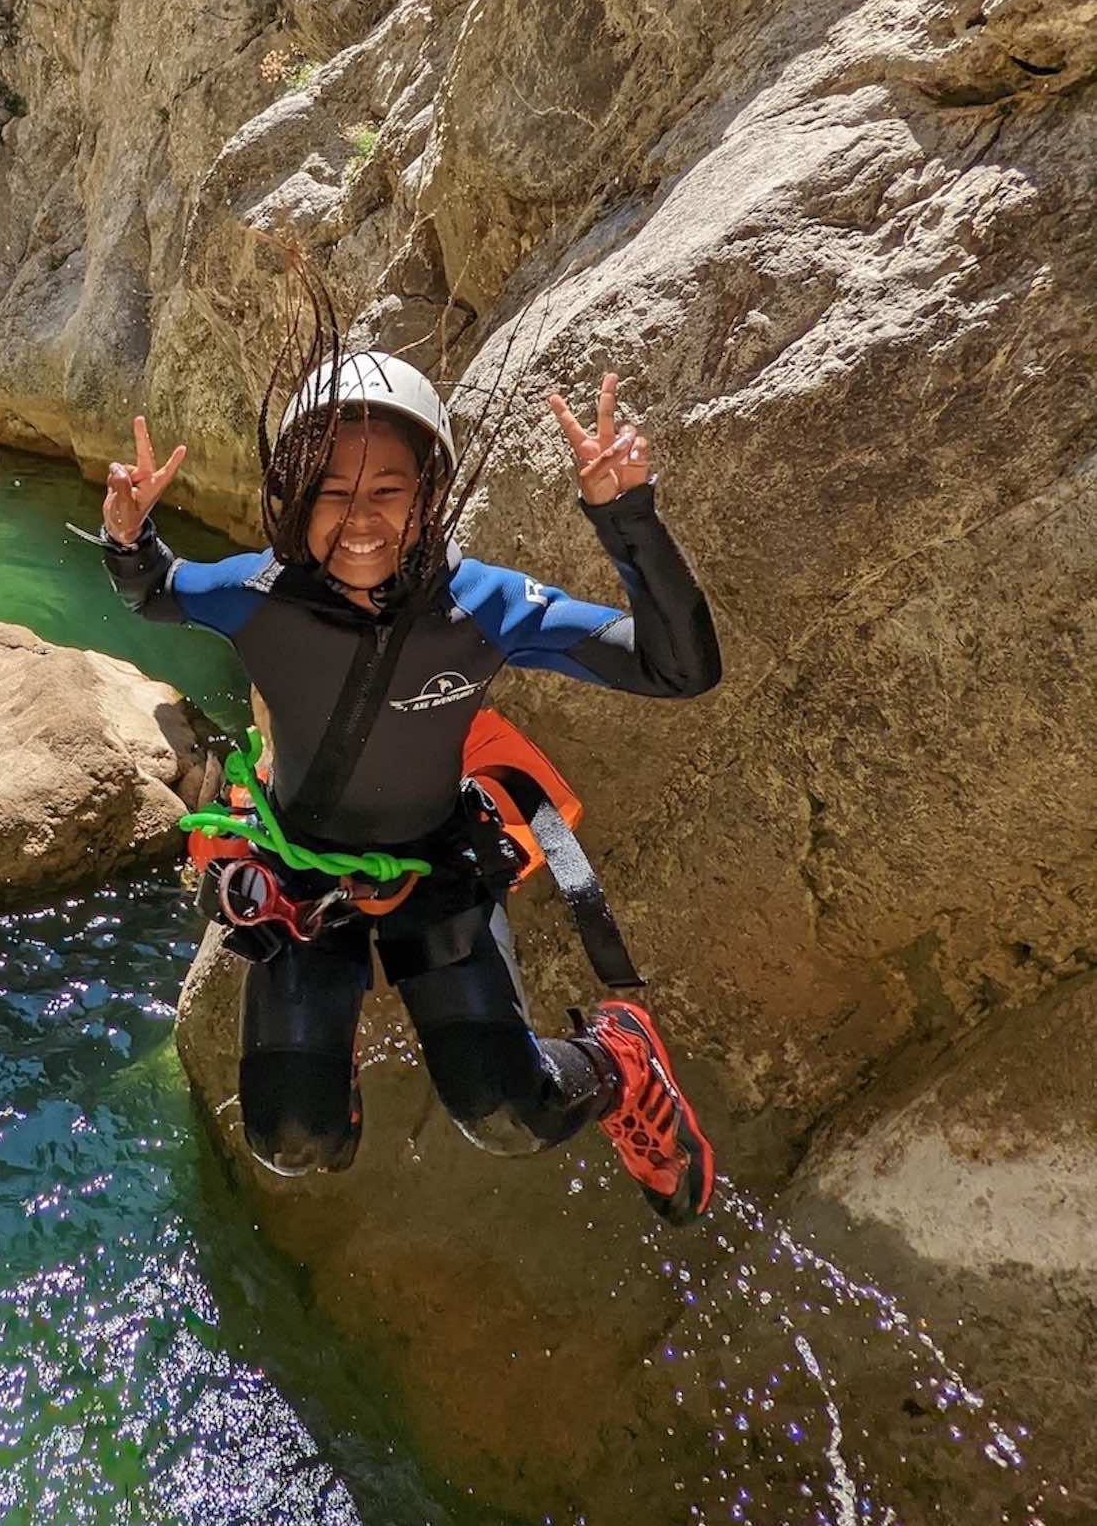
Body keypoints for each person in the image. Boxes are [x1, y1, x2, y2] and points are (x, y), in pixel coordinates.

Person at [98, 339, 723, 1224]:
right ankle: (331, 1053)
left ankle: (622, 1055)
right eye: (331, 491)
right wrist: (129, 536)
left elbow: (678, 667)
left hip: (436, 868)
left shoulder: (482, 605)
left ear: (431, 495)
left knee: (511, 1115)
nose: (360, 519)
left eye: (388, 490)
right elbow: (156, 590)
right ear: (294, 498)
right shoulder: (258, 593)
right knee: (292, 1140)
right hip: (302, 877)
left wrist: (627, 518)